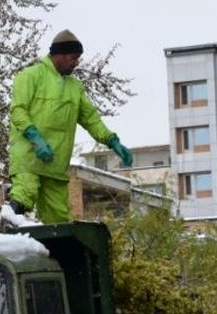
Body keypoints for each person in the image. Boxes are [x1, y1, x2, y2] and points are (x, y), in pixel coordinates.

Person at [8, 30, 134, 223]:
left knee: (58, 220)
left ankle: (55, 253)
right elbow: (18, 111)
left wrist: (112, 140)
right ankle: (3, 239)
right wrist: (36, 138)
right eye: (74, 58)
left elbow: (90, 118)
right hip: (29, 159)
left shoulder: (75, 88)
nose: (76, 63)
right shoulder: (30, 76)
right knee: (23, 196)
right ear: (60, 55)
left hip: (55, 165)